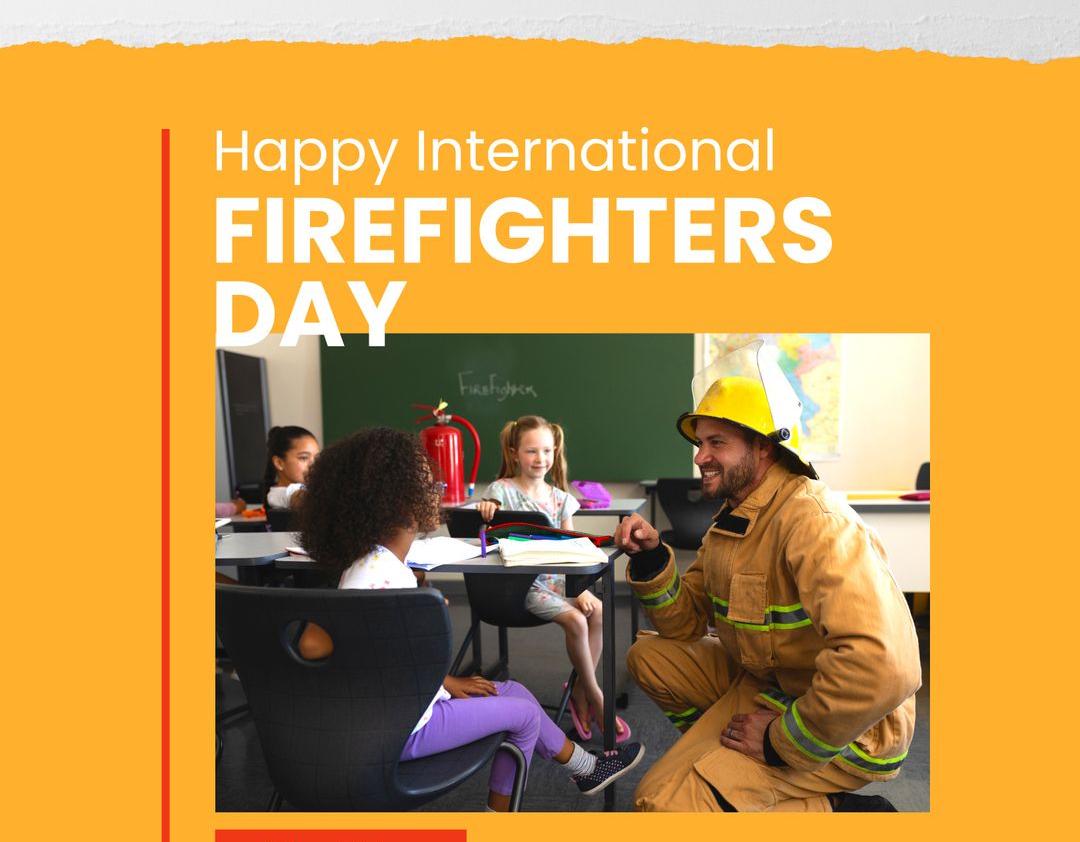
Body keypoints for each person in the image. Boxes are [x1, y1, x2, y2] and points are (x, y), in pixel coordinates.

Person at [614, 340, 921, 813]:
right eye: (700, 443)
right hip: (775, 687)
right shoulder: (735, 521)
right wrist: (654, 559)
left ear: (761, 447)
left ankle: (836, 809)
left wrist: (781, 742)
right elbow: (684, 626)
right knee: (651, 656)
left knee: (661, 805)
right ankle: (730, 765)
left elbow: (884, 668)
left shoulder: (814, 521)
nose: (700, 457)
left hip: (854, 729)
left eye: (717, 443)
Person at [296, 427, 645, 811]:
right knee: (525, 715)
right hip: (402, 728)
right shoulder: (381, 577)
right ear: (400, 503)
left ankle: (586, 767)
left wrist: (444, 681)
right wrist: (437, 675)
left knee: (511, 690)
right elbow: (328, 647)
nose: (437, 496)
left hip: (400, 711)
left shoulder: (372, 564)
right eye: (431, 489)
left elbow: (334, 646)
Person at [477, 415, 631, 744]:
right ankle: (595, 696)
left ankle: (578, 690)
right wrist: (487, 508)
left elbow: (574, 549)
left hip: (558, 585)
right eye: (532, 451)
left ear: (555, 451)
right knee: (576, 619)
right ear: (514, 452)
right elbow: (487, 516)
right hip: (523, 587)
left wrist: (583, 589)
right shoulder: (500, 491)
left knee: (598, 610)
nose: (540, 459)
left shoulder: (562, 499)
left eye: (546, 451)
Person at [262, 425, 320, 509]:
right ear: (279, 463)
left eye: (317, 458)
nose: (313, 464)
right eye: (304, 458)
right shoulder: (277, 495)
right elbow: (303, 499)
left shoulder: (309, 487)